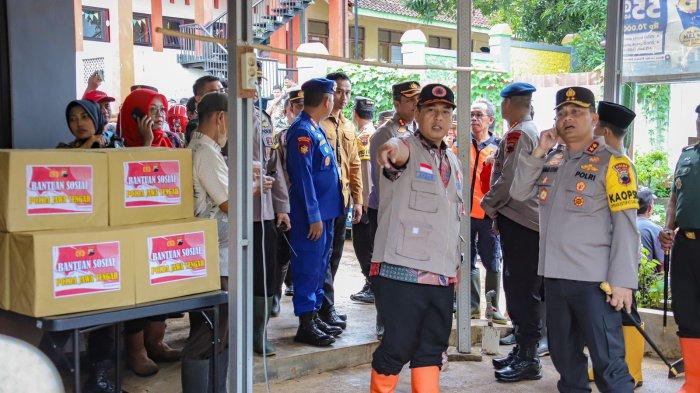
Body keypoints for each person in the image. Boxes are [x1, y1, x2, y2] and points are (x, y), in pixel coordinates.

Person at [510, 86, 639, 391]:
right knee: (565, 362)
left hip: (594, 283)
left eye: (577, 112)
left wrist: (623, 281)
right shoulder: (552, 159)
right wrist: (539, 151)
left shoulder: (614, 163)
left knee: (609, 365)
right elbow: (517, 193)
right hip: (554, 279)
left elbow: (625, 226)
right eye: (562, 113)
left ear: (594, 119)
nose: (568, 118)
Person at [369, 83, 463, 392]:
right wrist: (391, 150)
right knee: (397, 347)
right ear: (417, 114)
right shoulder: (405, 146)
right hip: (401, 272)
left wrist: (456, 265)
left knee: (431, 350)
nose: (438, 118)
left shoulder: (453, 161)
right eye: (431, 111)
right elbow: (397, 152)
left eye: (445, 112)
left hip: (441, 274)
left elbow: (452, 219)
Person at [481, 82, 544, 382]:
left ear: (508, 104)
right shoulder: (528, 131)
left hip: (522, 223)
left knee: (521, 290)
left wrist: (488, 205)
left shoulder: (520, 133)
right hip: (520, 221)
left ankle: (529, 358)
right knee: (517, 288)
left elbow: (509, 181)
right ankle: (523, 350)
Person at [119, 88, 183, 376]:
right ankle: (136, 351)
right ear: (135, 114)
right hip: (132, 230)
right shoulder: (117, 144)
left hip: (162, 227)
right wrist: (144, 146)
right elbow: (133, 181)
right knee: (136, 292)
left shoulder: (168, 142)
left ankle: (156, 342)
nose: (159, 116)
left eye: (161, 110)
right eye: (152, 110)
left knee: (160, 287)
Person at [588, 100, 646, 387]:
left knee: (623, 316)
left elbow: (624, 225)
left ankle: (631, 372)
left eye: (595, 127)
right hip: (604, 256)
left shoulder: (620, 166)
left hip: (615, 256)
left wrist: (622, 274)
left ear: (605, 132)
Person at [285, 78, 344, 347]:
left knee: (321, 265)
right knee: (308, 266)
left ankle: (315, 314)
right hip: (314, 216)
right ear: (326, 101)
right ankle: (305, 323)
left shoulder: (314, 127)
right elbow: (303, 177)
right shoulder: (301, 131)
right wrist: (313, 215)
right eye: (333, 97)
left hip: (327, 212)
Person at [181, 92, 232, 392]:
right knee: (208, 331)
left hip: (216, 253)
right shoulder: (205, 152)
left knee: (218, 332)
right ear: (220, 117)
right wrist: (254, 185)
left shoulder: (205, 149)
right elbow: (228, 204)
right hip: (212, 256)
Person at [368, 81, 421, 339]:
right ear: (397, 103)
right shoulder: (385, 134)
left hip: (408, 213)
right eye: (410, 100)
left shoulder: (415, 131)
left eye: (417, 100)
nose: (415, 105)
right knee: (386, 271)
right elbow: (383, 183)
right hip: (387, 212)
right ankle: (384, 322)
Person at [251, 62, 292, 356]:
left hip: (263, 211)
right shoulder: (223, 117)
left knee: (265, 275)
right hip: (232, 211)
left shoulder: (263, 120)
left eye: (258, 79)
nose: (254, 84)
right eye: (250, 77)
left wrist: (281, 207)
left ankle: (258, 333)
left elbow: (273, 165)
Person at [317, 72, 363, 330]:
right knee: (320, 257)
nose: (344, 97)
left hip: (341, 200)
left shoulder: (347, 126)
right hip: (321, 202)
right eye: (339, 92)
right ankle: (323, 308)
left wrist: (358, 200)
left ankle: (326, 306)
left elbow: (354, 165)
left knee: (334, 256)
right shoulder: (317, 124)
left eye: (347, 92)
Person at [659, 109, 700, 393]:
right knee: (686, 314)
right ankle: (694, 384)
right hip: (685, 245)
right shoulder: (686, 155)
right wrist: (667, 228)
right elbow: (675, 197)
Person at [467, 99, 505, 323]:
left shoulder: (499, 147)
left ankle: (492, 307)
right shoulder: (461, 144)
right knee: (467, 259)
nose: (474, 119)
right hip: (465, 214)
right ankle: (471, 306)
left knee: (492, 260)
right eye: (471, 115)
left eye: (479, 115)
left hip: (488, 214)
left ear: (490, 120)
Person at [271, 87, 304, 308]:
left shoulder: (315, 133)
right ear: (289, 110)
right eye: (298, 106)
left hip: (307, 203)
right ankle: (274, 295)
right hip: (288, 202)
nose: (302, 111)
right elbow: (277, 173)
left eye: (305, 106)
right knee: (281, 252)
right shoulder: (280, 138)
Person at [350, 97, 377, 303]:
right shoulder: (374, 132)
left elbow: (366, 171)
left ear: (355, 113)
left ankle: (372, 285)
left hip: (367, 202)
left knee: (363, 246)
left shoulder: (363, 137)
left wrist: (363, 201)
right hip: (373, 200)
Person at [185, 75, 226, 143]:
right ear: (198, 98)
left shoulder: (227, 117)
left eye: (222, 91)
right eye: (214, 93)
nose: (220, 95)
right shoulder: (194, 124)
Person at [637, 187, 664, 264]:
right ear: (649, 208)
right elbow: (662, 264)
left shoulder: (626, 225)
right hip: (647, 274)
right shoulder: (655, 229)